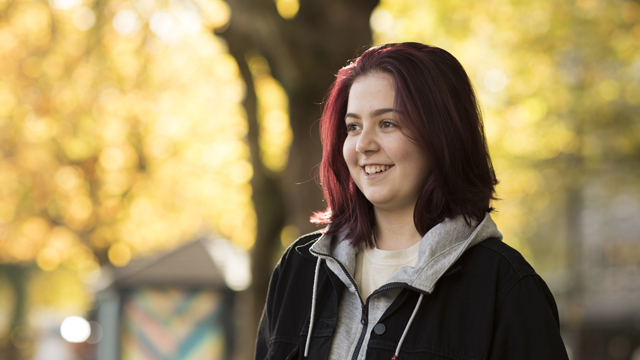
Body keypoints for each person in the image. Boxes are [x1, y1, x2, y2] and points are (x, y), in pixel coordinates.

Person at [255, 43, 569, 360]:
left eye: (387, 123)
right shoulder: (300, 269)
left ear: (442, 135)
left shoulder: (506, 287)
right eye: (353, 126)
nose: (363, 144)